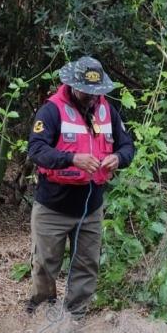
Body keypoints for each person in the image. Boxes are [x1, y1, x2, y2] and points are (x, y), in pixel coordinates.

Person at [26, 56, 136, 316]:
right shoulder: (51, 111)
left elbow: (128, 147)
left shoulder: (107, 110)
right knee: (44, 265)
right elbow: (36, 150)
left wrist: (117, 158)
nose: (92, 97)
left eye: (96, 92)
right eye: (86, 92)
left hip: (91, 208)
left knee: (87, 265)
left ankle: (75, 320)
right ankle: (42, 317)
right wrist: (72, 158)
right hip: (53, 206)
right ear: (73, 85)